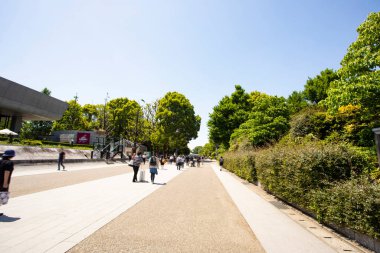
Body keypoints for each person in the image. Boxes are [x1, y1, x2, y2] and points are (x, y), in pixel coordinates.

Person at [0, 150, 16, 216]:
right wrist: (5, 183)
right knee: (1, 197)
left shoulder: (0, 161)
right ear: (11, 156)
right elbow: (7, 172)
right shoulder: (9, 163)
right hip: (2, 182)